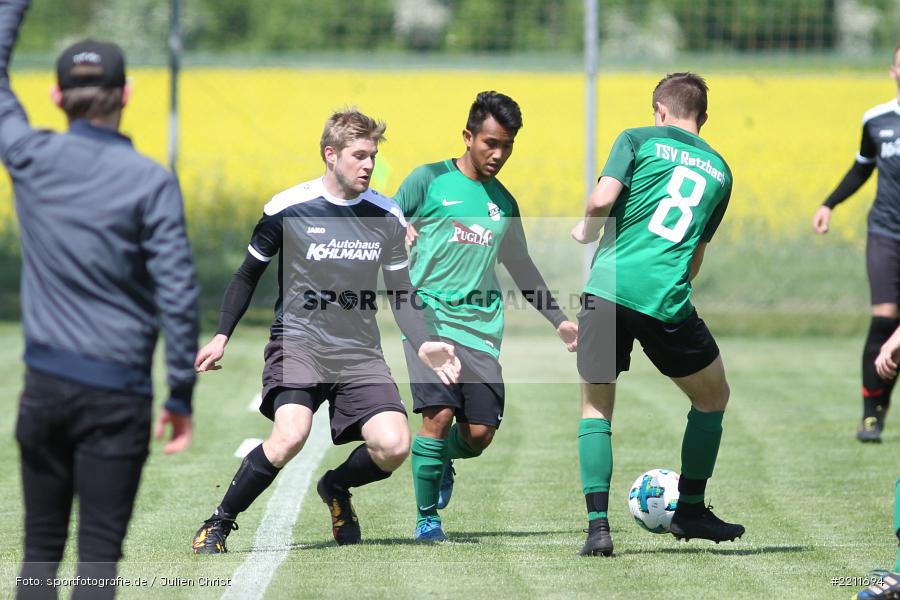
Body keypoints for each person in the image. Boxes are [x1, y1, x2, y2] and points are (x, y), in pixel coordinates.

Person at [190, 109, 460, 553]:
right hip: (298, 343)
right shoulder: (287, 208)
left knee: (394, 445)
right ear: (330, 155)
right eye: (359, 156)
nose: (368, 165)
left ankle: (336, 486)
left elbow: (402, 292)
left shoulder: (386, 215)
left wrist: (425, 340)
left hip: (359, 352)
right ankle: (218, 522)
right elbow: (246, 275)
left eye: (373, 157)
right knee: (290, 435)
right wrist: (221, 335)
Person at [0, 1, 199, 598]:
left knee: (39, 553)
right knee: (98, 561)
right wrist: (180, 393)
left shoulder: (31, 157)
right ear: (127, 94)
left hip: (45, 389)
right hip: (119, 395)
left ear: (56, 97)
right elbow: (178, 293)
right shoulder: (151, 181)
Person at [571, 72, 744, 556]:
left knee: (596, 408)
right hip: (663, 297)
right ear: (703, 117)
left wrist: (586, 230)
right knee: (713, 397)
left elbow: (601, 199)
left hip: (605, 290)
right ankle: (689, 509)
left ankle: (598, 530)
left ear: (660, 111)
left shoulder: (637, 138)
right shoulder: (721, 171)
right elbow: (694, 257)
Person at [393, 91, 578, 542]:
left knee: (479, 435)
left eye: (507, 146)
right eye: (490, 143)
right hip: (429, 319)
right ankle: (427, 520)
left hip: (480, 329)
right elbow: (383, 217)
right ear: (468, 136)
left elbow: (521, 265)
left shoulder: (504, 204)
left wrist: (559, 320)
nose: (498, 154)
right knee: (438, 415)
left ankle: (443, 458)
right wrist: (398, 225)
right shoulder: (428, 179)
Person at [812, 45, 900, 443]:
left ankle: (880, 405)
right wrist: (829, 204)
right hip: (885, 232)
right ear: (892, 71)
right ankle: (871, 415)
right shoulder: (876, 120)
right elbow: (862, 168)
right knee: (884, 320)